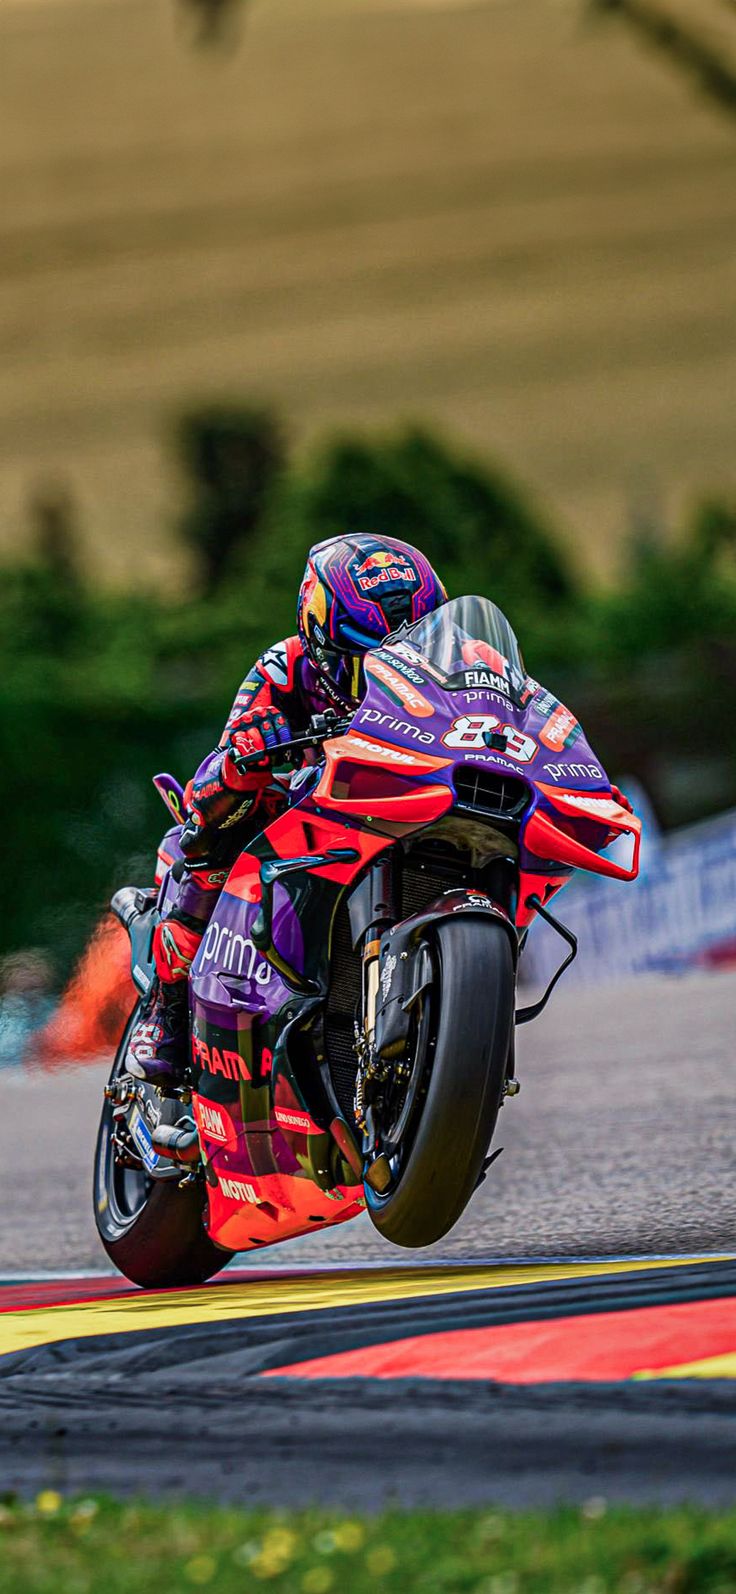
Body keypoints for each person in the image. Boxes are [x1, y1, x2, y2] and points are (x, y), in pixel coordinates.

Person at [128, 533, 447, 1088]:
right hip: (304, 812)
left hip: (406, 798)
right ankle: (168, 1005)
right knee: (206, 832)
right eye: (368, 653)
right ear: (320, 634)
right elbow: (220, 768)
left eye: (411, 646)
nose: (389, 665)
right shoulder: (282, 668)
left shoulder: (457, 662)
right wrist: (249, 755)